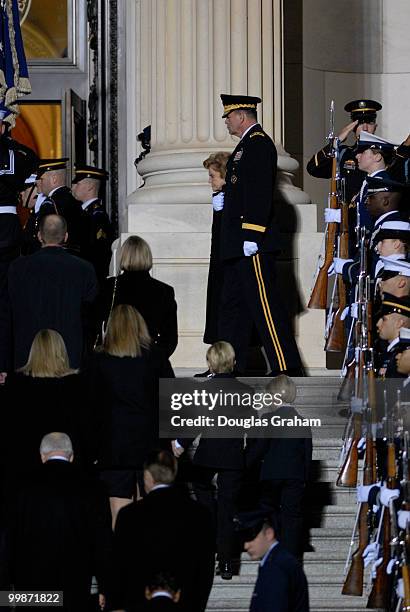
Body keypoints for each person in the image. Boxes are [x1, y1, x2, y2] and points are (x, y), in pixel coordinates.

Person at [217, 94, 303, 375]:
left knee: (266, 307)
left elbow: (258, 192)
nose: (227, 122)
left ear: (241, 116)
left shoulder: (259, 144)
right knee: (234, 309)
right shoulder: (246, 146)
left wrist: (252, 233)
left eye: (229, 116)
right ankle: (230, 365)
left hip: (250, 241)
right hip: (236, 242)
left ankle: (285, 366)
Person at [1, 432, 112, 612]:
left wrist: (6, 596)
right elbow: (103, 543)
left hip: (31, 594)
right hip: (75, 592)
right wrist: (106, 589)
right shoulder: (94, 488)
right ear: (72, 456)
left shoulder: (19, 487)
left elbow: (6, 543)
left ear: (42, 456)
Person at [88, 304, 174, 528]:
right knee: (150, 514)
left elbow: (90, 406)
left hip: (112, 448)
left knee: (118, 512)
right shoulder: (155, 357)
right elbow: (173, 400)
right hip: (149, 445)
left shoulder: (98, 360)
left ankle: (120, 560)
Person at [173, 341, 247, 579]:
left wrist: (179, 445)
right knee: (227, 510)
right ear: (233, 362)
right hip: (233, 457)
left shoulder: (203, 391)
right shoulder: (245, 391)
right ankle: (226, 562)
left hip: (207, 456)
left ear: (210, 364)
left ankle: (209, 544)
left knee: (204, 500)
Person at [109, 449, 215, 612]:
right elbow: (205, 569)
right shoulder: (199, 515)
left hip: (138, 603)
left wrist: (116, 604)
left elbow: (118, 565)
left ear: (148, 476)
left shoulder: (129, 515)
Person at [0, 330, 93, 487]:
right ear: (61, 351)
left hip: (24, 472)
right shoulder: (77, 385)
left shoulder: (16, 385)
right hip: (69, 469)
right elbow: (87, 427)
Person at [8, 214, 98, 369]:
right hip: (69, 357)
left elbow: (8, 312)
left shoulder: (18, 268)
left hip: (27, 357)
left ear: (39, 236)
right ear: (66, 236)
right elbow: (90, 314)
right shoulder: (84, 269)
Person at [246, 375, 312, 559]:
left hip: (270, 475)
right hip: (295, 476)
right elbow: (307, 454)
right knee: (291, 519)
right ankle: (291, 559)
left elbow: (258, 450)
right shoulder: (303, 422)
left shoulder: (267, 419)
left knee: (269, 515)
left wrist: (243, 466)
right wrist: (304, 478)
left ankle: (271, 554)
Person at [0, 105, 39, 379]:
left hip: (7, 226)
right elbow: (29, 189)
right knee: (6, 300)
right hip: (8, 227)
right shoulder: (24, 154)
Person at [98, 235, 178, 358]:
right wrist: (157, 359)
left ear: (123, 256)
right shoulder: (164, 291)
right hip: (148, 357)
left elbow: (95, 325)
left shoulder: (108, 286)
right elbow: (170, 337)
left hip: (114, 356)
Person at [236, 509, 310, 612]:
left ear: (269, 533)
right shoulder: (279, 560)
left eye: (251, 537)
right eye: (243, 539)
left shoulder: (276, 566)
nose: (246, 545)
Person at [202, 152, 231, 346]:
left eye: (213, 176)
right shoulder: (220, 197)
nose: (210, 180)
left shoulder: (231, 198)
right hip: (219, 264)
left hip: (229, 266)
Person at [71, 164, 113, 283]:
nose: (73, 187)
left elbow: (98, 253)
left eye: (77, 184)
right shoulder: (83, 212)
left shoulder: (97, 216)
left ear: (89, 186)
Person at [36, 157, 84, 253]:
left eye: (41, 179)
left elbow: (44, 237)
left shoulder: (50, 204)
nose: (38, 182)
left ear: (54, 179)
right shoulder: (74, 200)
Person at [376, 293, 410, 377]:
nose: (378, 324)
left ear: (399, 323)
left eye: (384, 319)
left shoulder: (403, 355)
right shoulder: (390, 351)